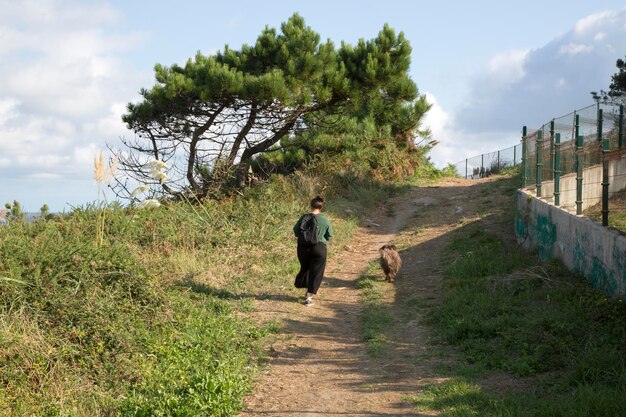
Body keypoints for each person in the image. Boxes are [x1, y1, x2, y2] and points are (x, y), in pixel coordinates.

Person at [293, 195, 333, 307]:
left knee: (305, 268)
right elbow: (329, 235)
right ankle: (309, 297)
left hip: (302, 248)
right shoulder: (324, 219)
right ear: (321, 207)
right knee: (316, 272)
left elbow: (296, 231)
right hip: (318, 248)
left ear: (310, 206)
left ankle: (303, 285)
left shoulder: (303, 217)